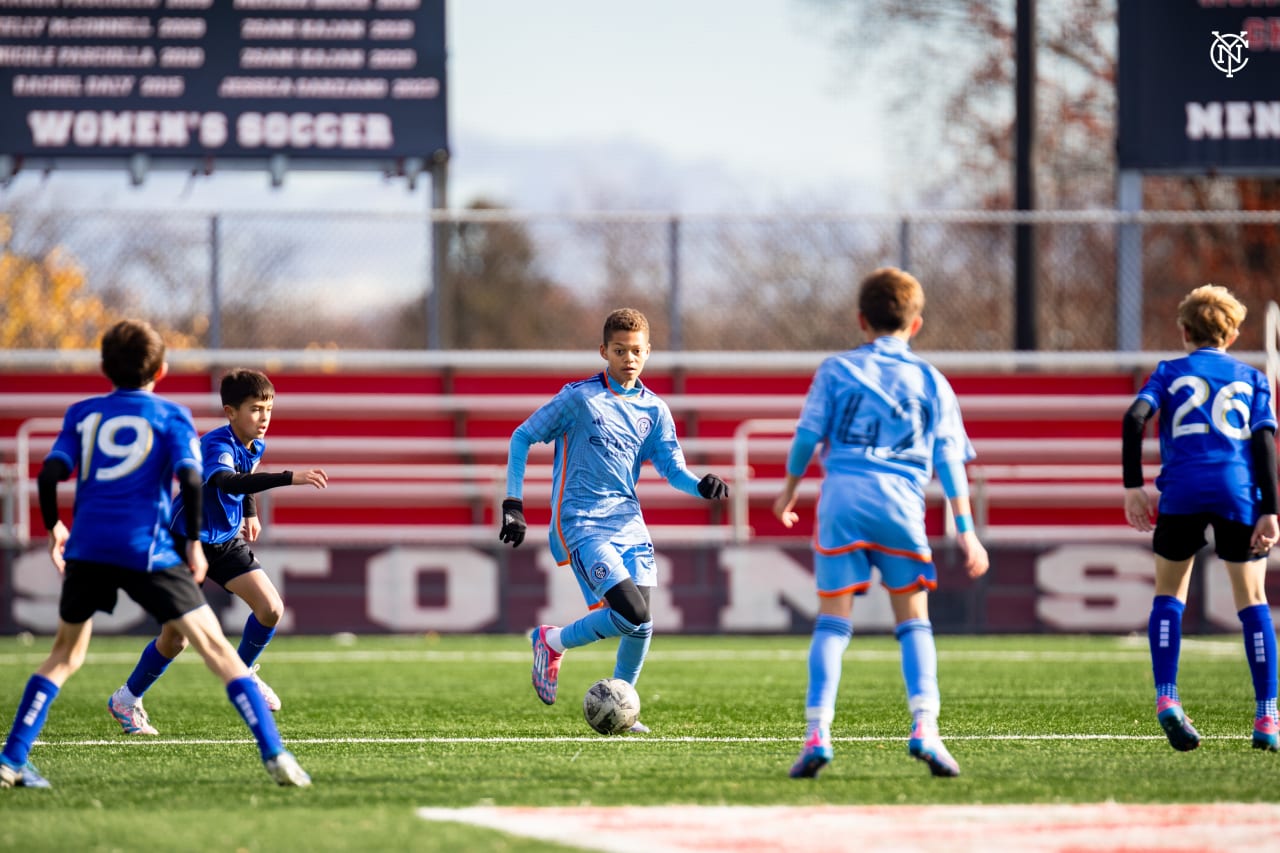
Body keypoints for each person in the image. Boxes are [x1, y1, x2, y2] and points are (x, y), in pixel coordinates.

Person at [0, 320, 311, 789]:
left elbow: (49, 475)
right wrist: (190, 543)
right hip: (150, 545)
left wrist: (54, 526)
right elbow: (194, 479)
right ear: (162, 369)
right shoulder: (172, 417)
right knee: (213, 649)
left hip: (88, 545)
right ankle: (276, 754)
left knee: (63, 656)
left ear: (104, 367)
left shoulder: (82, 413)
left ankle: (12, 760)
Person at [772, 267, 990, 779]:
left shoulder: (835, 369)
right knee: (914, 623)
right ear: (916, 325)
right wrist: (966, 529)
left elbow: (807, 436)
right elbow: (950, 462)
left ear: (861, 320)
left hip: (842, 502)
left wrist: (788, 490)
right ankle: (925, 730)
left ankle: (818, 733)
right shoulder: (932, 380)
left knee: (831, 623)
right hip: (900, 506)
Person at [499, 308, 730, 731]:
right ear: (604, 350)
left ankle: (621, 705)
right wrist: (513, 503)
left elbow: (673, 469)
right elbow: (523, 436)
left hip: (629, 523)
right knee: (633, 613)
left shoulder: (654, 411)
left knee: (640, 625)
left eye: (636, 350)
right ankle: (551, 642)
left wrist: (701, 485)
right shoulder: (579, 399)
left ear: (648, 353)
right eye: (620, 350)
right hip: (582, 523)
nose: (629, 358)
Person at [107, 368, 328, 735]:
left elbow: (246, 479)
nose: (264, 418)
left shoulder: (256, 444)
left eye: (268, 410)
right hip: (185, 540)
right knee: (174, 639)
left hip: (224, 541)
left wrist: (250, 512)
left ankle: (240, 674)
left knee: (271, 608)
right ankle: (126, 699)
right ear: (230, 412)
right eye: (256, 409)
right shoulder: (216, 443)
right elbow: (227, 479)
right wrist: (291, 477)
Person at [1122, 284, 1278, 753]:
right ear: (1231, 334)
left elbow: (1134, 419)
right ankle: (1267, 714)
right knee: (1251, 599)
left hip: (1183, 491)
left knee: (1169, 595)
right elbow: (1265, 444)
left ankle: (1167, 697)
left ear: (1184, 330)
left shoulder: (1169, 372)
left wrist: (1133, 486)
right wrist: (1270, 509)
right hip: (1236, 492)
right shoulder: (1251, 379)